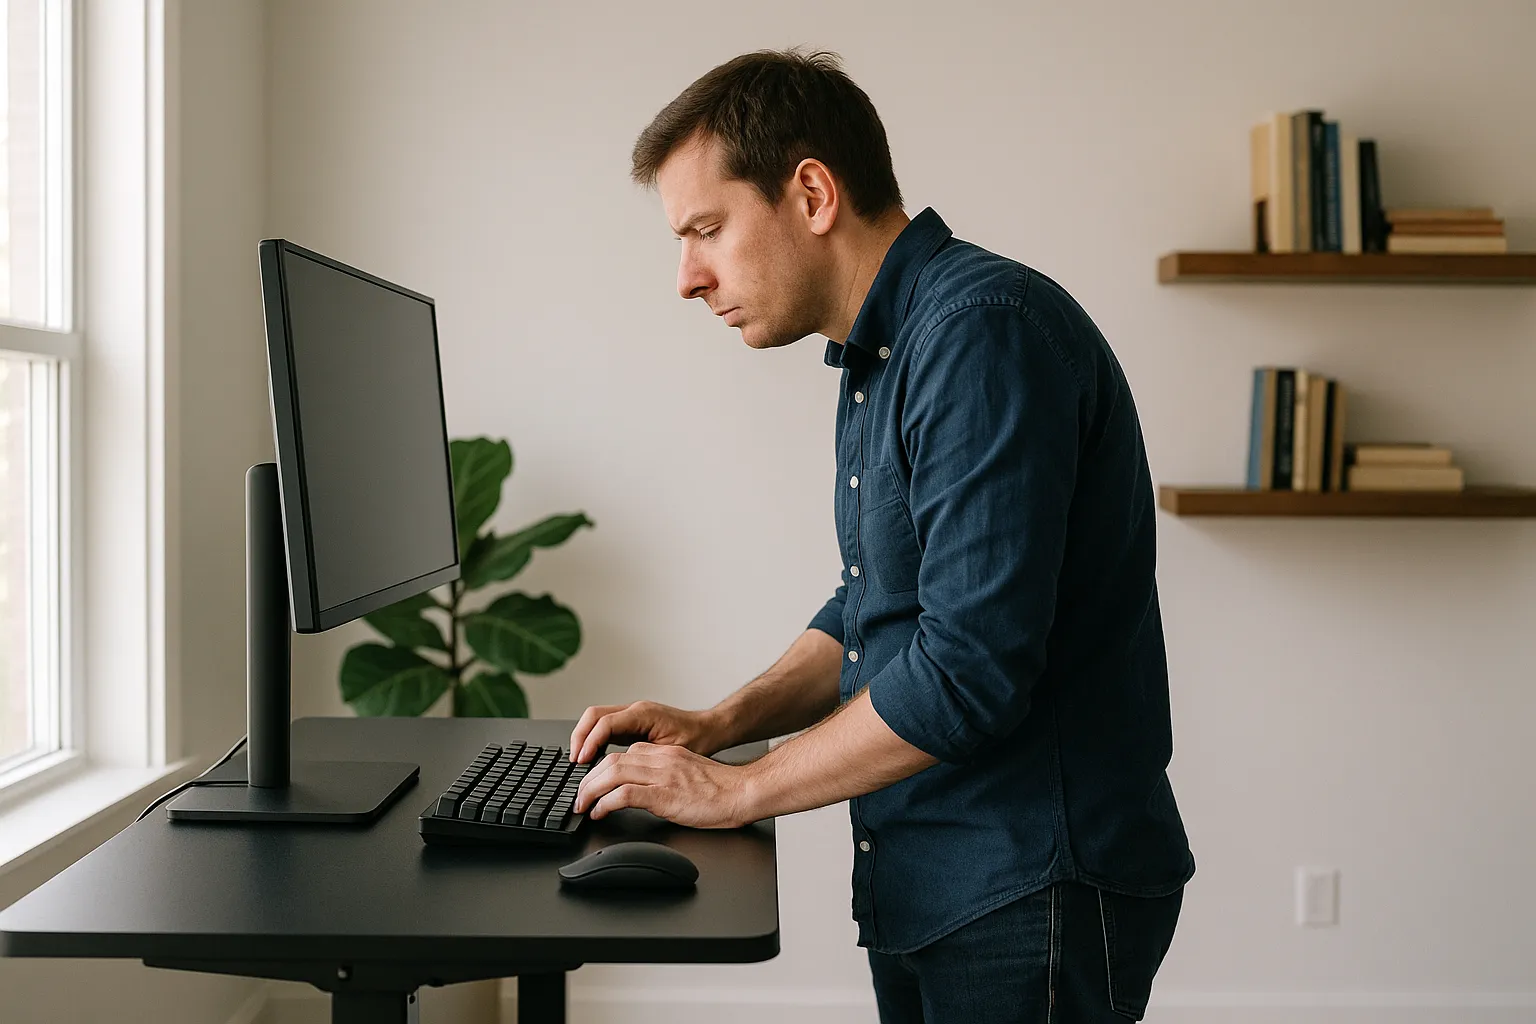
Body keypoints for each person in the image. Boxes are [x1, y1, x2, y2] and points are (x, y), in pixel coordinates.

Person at [570, 48, 1194, 1023]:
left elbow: (967, 668)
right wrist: (721, 724)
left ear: (812, 192)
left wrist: (739, 792)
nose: (686, 277)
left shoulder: (982, 334)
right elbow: (875, 604)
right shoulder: (890, 350)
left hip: (1030, 887)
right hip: (946, 881)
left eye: (706, 229)